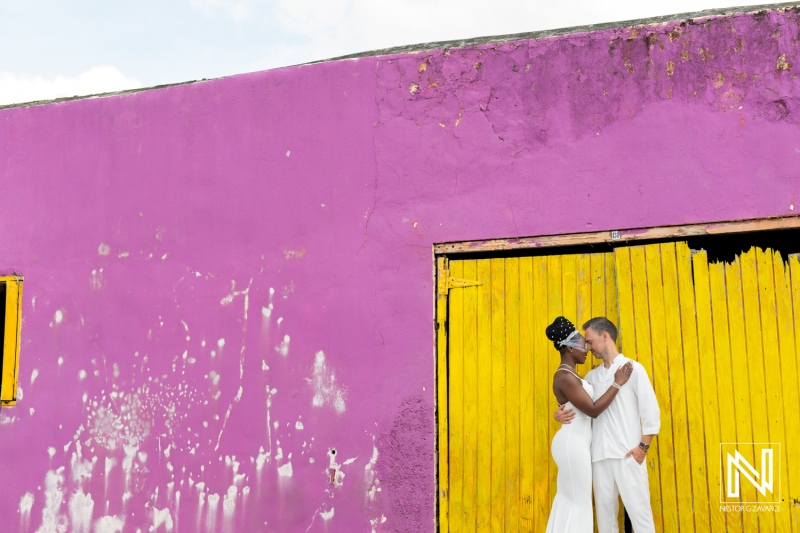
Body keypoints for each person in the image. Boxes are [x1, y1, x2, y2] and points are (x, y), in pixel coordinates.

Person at [554, 317, 660, 533]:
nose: (588, 347)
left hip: (628, 454)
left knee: (640, 516)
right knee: (605, 520)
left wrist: (643, 447)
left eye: (590, 342)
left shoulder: (633, 369)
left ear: (605, 336)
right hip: (599, 457)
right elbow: (581, 405)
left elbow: (651, 411)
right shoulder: (591, 376)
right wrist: (560, 413)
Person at [544, 316, 633, 533]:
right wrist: (617, 383)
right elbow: (592, 410)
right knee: (579, 502)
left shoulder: (572, 375)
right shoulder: (565, 377)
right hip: (572, 444)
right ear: (568, 348)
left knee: (571, 500)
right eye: (582, 346)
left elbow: (576, 403)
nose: (586, 350)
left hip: (576, 443)